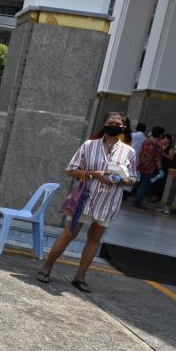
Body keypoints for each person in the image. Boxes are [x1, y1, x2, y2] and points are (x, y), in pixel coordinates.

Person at [36, 112, 137, 293]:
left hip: (108, 200)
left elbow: (132, 179)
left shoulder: (129, 152)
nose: (114, 125)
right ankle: (47, 266)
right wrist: (94, 174)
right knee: (70, 233)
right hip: (85, 197)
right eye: (110, 122)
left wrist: (121, 179)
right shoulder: (89, 145)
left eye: (118, 123)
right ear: (104, 124)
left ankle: (80, 277)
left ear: (124, 127)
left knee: (94, 239)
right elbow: (71, 170)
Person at [133, 126, 165, 207]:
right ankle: (138, 201)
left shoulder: (146, 141)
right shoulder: (158, 145)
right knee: (146, 185)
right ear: (161, 135)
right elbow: (157, 158)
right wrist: (160, 169)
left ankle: (138, 199)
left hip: (142, 165)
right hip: (151, 168)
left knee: (142, 183)